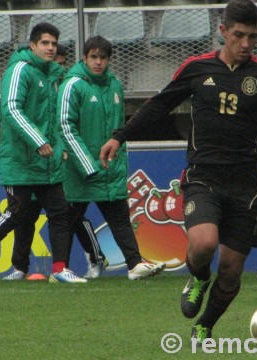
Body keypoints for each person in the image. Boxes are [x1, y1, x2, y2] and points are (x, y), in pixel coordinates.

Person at [100, 0, 257, 341]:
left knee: (232, 270)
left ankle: (204, 325)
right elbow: (160, 104)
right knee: (204, 244)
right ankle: (199, 277)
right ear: (223, 32)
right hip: (203, 176)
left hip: (246, 185)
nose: (246, 43)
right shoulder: (197, 68)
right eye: (239, 35)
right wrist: (120, 136)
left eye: (253, 37)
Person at [0, 22, 87, 284]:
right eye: (45, 43)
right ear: (32, 45)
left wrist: (59, 149)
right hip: (22, 159)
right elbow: (11, 108)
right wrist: (37, 140)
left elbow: (54, 120)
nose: (51, 48)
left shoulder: (51, 75)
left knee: (59, 212)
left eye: (54, 44)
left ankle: (58, 268)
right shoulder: (20, 69)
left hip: (47, 161)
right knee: (17, 214)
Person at [59, 35, 166, 280]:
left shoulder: (116, 85)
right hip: (80, 169)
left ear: (108, 60)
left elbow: (119, 128)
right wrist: (87, 164)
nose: (98, 62)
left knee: (119, 217)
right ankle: (61, 268)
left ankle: (134, 265)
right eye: (93, 57)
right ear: (84, 58)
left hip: (108, 167)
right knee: (68, 219)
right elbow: (65, 126)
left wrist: (115, 161)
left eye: (103, 57)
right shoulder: (72, 85)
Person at [3, 200, 107, 280]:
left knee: (70, 216)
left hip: (62, 181)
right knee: (25, 215)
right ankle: (20, 268)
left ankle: (95, 259)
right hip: (37, 179)